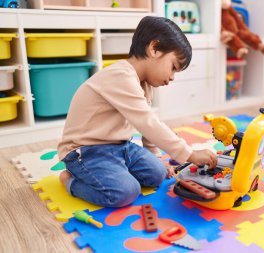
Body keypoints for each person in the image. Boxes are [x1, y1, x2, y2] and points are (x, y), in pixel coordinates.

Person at [57, 16, 217, 208]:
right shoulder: (120, 76)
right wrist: (189, 154)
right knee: (125, 192)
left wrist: (155, 157)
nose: (172, 77)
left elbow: (147, 123)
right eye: (173, 67)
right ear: (154, 48)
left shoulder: (144, 83)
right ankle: (70, 181)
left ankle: (116, 171)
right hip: (86, 151)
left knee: (158, 174)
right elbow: (147, 122)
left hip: (120, 146)